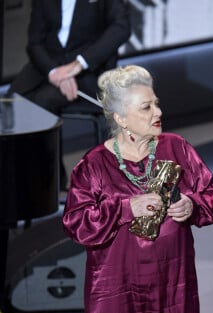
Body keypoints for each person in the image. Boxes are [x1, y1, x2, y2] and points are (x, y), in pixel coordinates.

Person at [62, 65, 213, 313]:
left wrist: (190, 204)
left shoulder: (177, 148)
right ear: (120, 118)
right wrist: (124, 208)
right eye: (146, 107)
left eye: (156, 103)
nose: (157, 112)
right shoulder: (93, 165)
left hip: (171, 285)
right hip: (116, 291)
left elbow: (207, 193)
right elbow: (76, 223)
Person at [8, 0, 131, 190]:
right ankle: (20, 183)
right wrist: (55, 73)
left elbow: (121, 28)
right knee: (11, 103)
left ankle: (50, 183)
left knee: (42, 104)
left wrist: (78, 65)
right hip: (48, 67)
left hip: (89, 70)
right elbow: (34, 43)